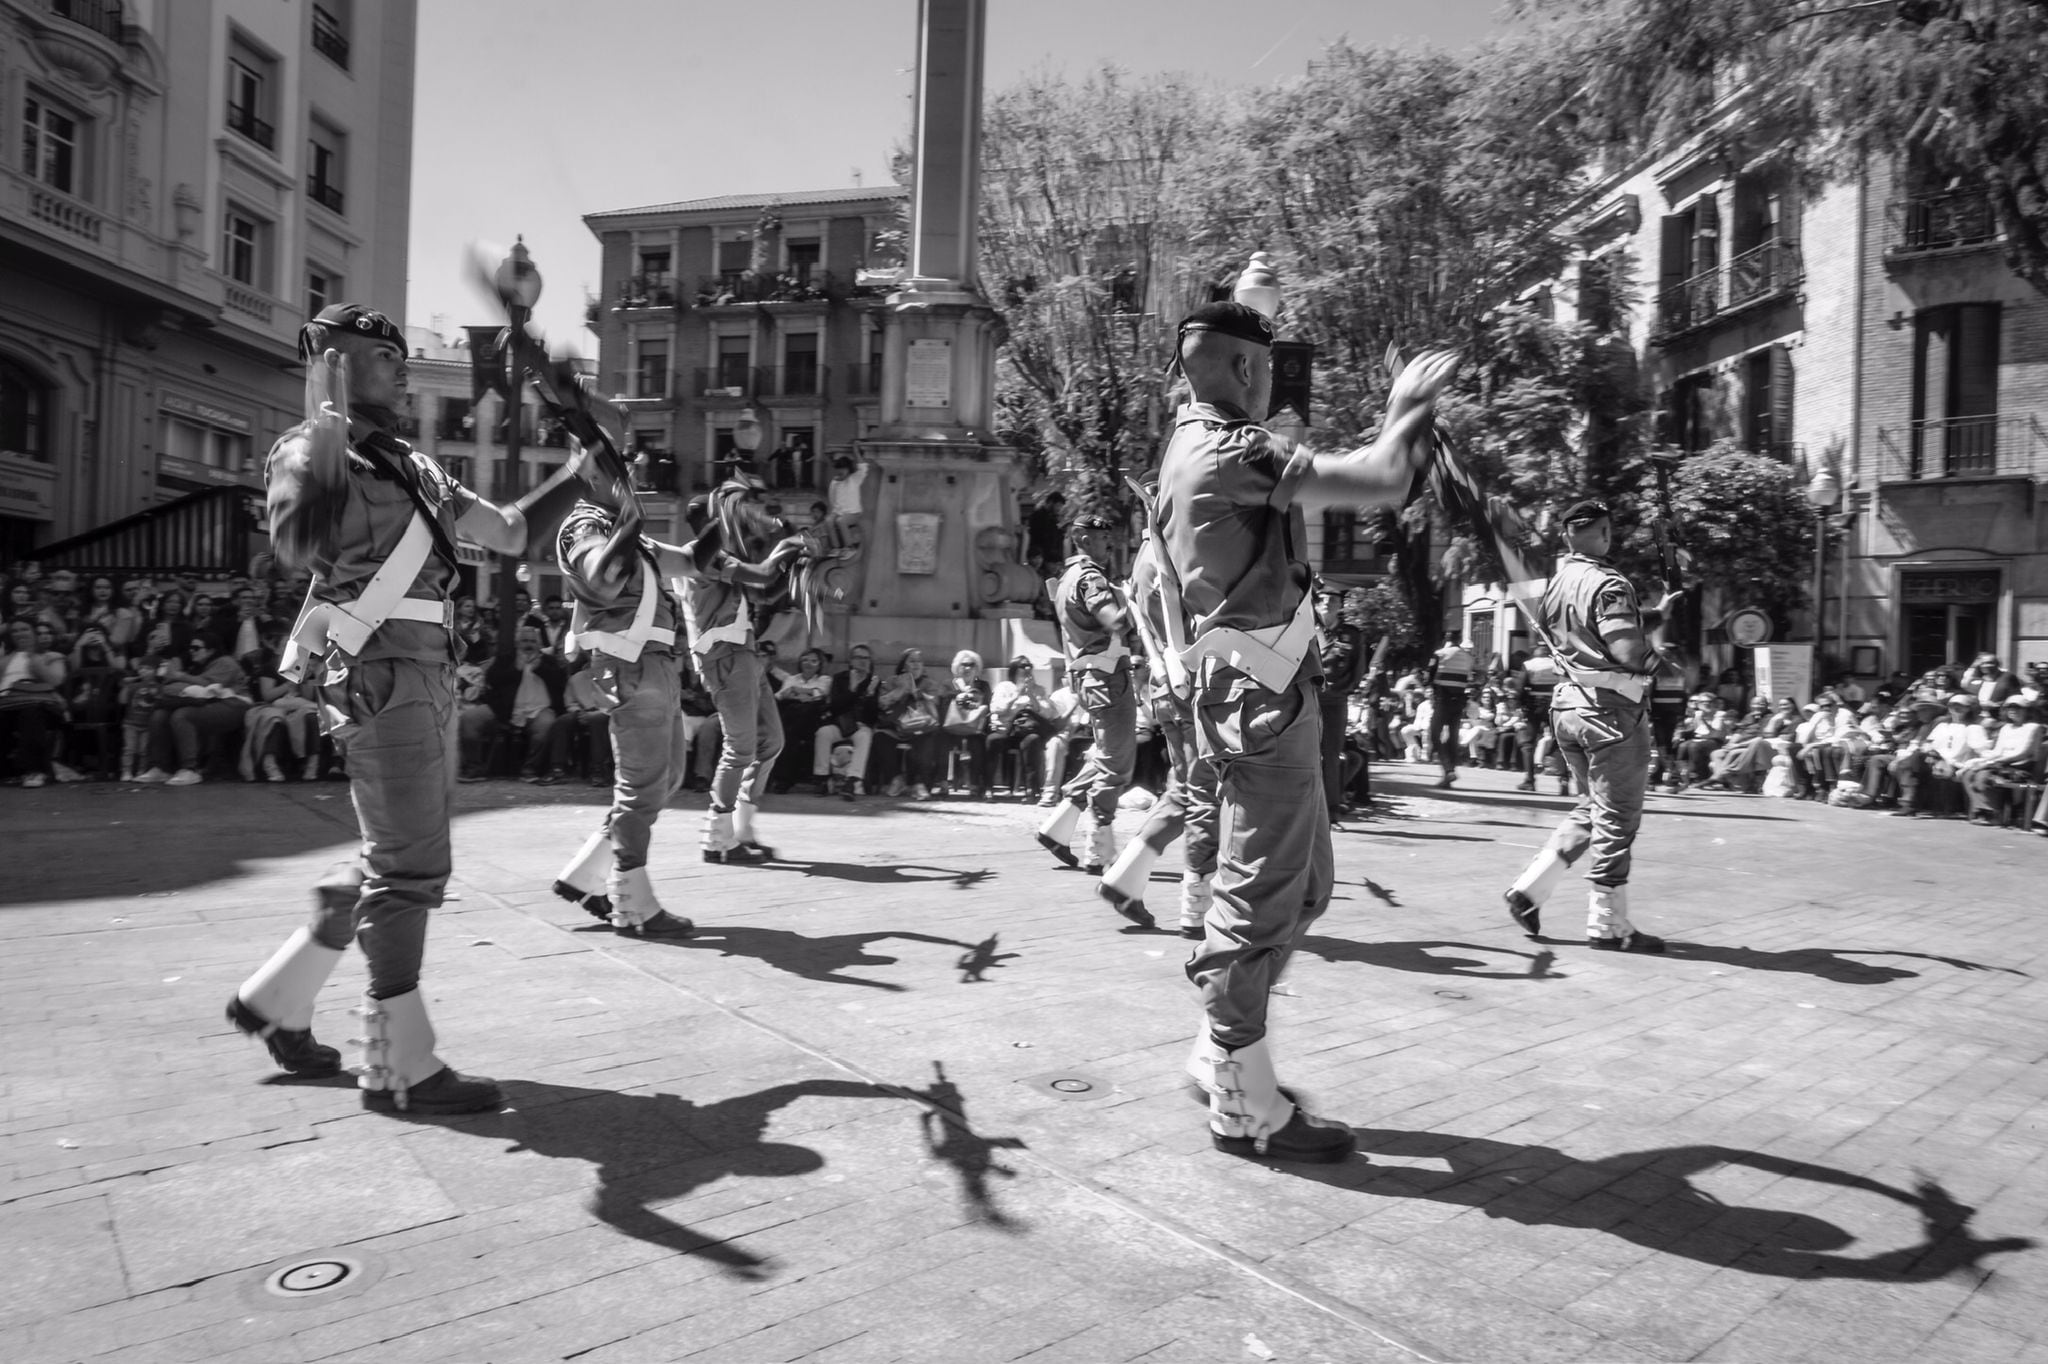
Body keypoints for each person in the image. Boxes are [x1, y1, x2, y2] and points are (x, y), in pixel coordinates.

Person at [225, 302, 591, 1116]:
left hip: (425, 673)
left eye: (399, 354)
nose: (399, 367)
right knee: (411, 868)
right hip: (382, 672)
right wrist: (325, 443)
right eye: (381, 355)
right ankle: (400, 1064)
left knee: (392, 855)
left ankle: (278, 1000)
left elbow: (507, 533)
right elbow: (293, 542)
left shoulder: (416, 467)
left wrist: (580, 471)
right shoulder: (308, 448)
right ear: (335, 362)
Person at [1153, 299, 1457, 1164]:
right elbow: (1386, 478)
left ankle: (1221, 1053)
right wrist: (1410, 402)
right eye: (1267, 368)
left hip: (1254, 693)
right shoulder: (1236, 449)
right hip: (1262, 698)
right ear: (1249, 368)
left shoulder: (1185, 444)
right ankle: (1246, 1105)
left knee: (1307, 886)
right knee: (1260, 899)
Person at [1500, 498, 1682, 955]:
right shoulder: (1610, 583)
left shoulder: (1556, 585)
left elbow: (1588, 630)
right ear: (1604, 532)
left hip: (1568, 708)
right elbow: (1625, 650)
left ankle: (1529, 891)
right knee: (1617, 818)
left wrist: (1656, 614)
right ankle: (1608, 924)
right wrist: (1663, 667)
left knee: (1593, 807)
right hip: (1611, 713)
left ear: (1566, 535)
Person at [547, 473, 702, 938]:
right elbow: (601, 574)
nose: (633, 475)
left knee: (665, 779)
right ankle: (632, 907)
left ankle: (584, 876)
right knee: (641, 789)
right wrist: (630, 520)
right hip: (629, 663)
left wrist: (723, 522)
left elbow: (693, 561)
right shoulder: (585, 526)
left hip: (655, 664)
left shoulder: (631, 535)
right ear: (594, 477)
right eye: (622, 469)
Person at [1097, 510, 1219, 935]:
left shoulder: (1145, 555)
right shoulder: (1175, 550)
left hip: (1164, 685)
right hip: (1191, 684)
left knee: (1184, 790)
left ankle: (1124, 879)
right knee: (1205, 794)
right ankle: (1197, 907)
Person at [677, 475, 809, 862]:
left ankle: (742, 830)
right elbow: (765, 575)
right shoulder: (704, 556)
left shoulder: (716, 557)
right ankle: (716, 840)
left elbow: (765, 591)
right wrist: (791, 543)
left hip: (742, 655)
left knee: (771, 743)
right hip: (725, 657)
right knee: (740, 749)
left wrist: (793, 563)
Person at [1034, 515, 1137, 875]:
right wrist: (1135, 600)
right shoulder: (1090, 577)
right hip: (1106, 675)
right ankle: (1099, 848)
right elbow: (1114, 620)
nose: (1108, 542)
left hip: (1091, 675)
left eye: (1109, 536)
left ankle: (1057, 828)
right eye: (1100, 536)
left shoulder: (1066, 577)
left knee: (1107, 754)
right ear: (1081, 538)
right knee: (1116, 763)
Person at [136, 633, 249, 785]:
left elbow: (209, 685)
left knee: (182, 715)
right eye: (190, 647)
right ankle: (160, 767)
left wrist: (178, 675)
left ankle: (190, 768)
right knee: (160, 715)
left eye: (196, 648)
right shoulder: (196, 665)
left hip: (234, 704)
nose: (191, 651)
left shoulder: (226, 662)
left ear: (211, 650)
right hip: (207, 703)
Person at [463, 627, 569, 781]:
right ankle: (474, 767)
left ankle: (530, 768)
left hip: (540, 710)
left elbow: (560, 683)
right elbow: (492, 680)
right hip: (505, 709)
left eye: (532, 641)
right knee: (469, 719)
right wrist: (516, 669)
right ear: (518, 643)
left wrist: (540, 668)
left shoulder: (548, 661)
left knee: (546, 725)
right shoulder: (506, 658)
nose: (529, 645)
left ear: (539, 644)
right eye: (525, 641)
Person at [1315, 589, 1364, 819]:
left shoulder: (1351, 635)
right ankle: (1307, 806)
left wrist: (1344, 690)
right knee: (1304, 752)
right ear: (1316, 604)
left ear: (1340, 605)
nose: (1327, 603)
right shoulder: (1305, 630)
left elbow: (1358, 668)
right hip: (1308, 698)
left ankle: (1331, 809)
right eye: (1323, 599)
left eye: (1333, 600)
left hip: (1335, 701)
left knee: (1331, 755)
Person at [0, 617, 66, 787]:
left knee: (30, 713)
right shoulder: (6, 659)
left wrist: (34, 660)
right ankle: (7, 771)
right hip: (8, 704)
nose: (19, 634)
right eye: (15, 631)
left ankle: (35, 771)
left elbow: (56, 681)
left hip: (43, 706)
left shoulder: (52, 656)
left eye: (24, 629)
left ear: (34, 633)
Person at [815, 643, 881, 798]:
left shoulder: (873, 681)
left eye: (866, 658)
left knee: (864, 736)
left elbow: (873, 715)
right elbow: (835, 707)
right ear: (851, 661)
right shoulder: (840, 678)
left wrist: (870, 694)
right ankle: (822, 778)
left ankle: (852, 781)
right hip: (840, 723)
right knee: (823, 733)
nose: (862, 661)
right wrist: (852, 690)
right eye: (858, 657)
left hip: (860, 726)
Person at [1424, 630, 1475, 788]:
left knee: (1434, 734)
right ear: (1459, 640)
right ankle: (1449, 773)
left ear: (1446, 639)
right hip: (1459, 701)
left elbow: (1427, 678)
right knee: (1452, 737)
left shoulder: (1440, 654)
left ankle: (1448, 770)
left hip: (1442, 699)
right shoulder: (1468, 657)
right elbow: (1470, 680)